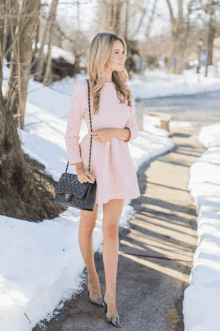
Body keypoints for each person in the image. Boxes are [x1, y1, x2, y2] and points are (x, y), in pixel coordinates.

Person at [65, 32, 141, 328]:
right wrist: (79, 167)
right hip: (92, 167)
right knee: (87, 225)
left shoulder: (125, 91)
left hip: (119, 165)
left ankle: (112, 296)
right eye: (117, 52)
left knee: (111, 230)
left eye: (123, 51)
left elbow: (133, 128)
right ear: (102, 55)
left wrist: (116, 134)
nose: (122, 57)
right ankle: (92, 276)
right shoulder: (82, 89)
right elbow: (71, 134)